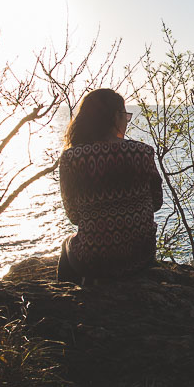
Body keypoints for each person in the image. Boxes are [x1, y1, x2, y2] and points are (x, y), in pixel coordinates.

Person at [57, 89, 163, 284]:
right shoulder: (143, 153)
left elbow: (73, 215)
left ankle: (68, 305)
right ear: (116, 116)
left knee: (67, 244)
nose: (126, 121)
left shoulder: (71, 158)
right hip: (142, 256)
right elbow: (156, 202)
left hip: (95, 262)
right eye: (125, 115)